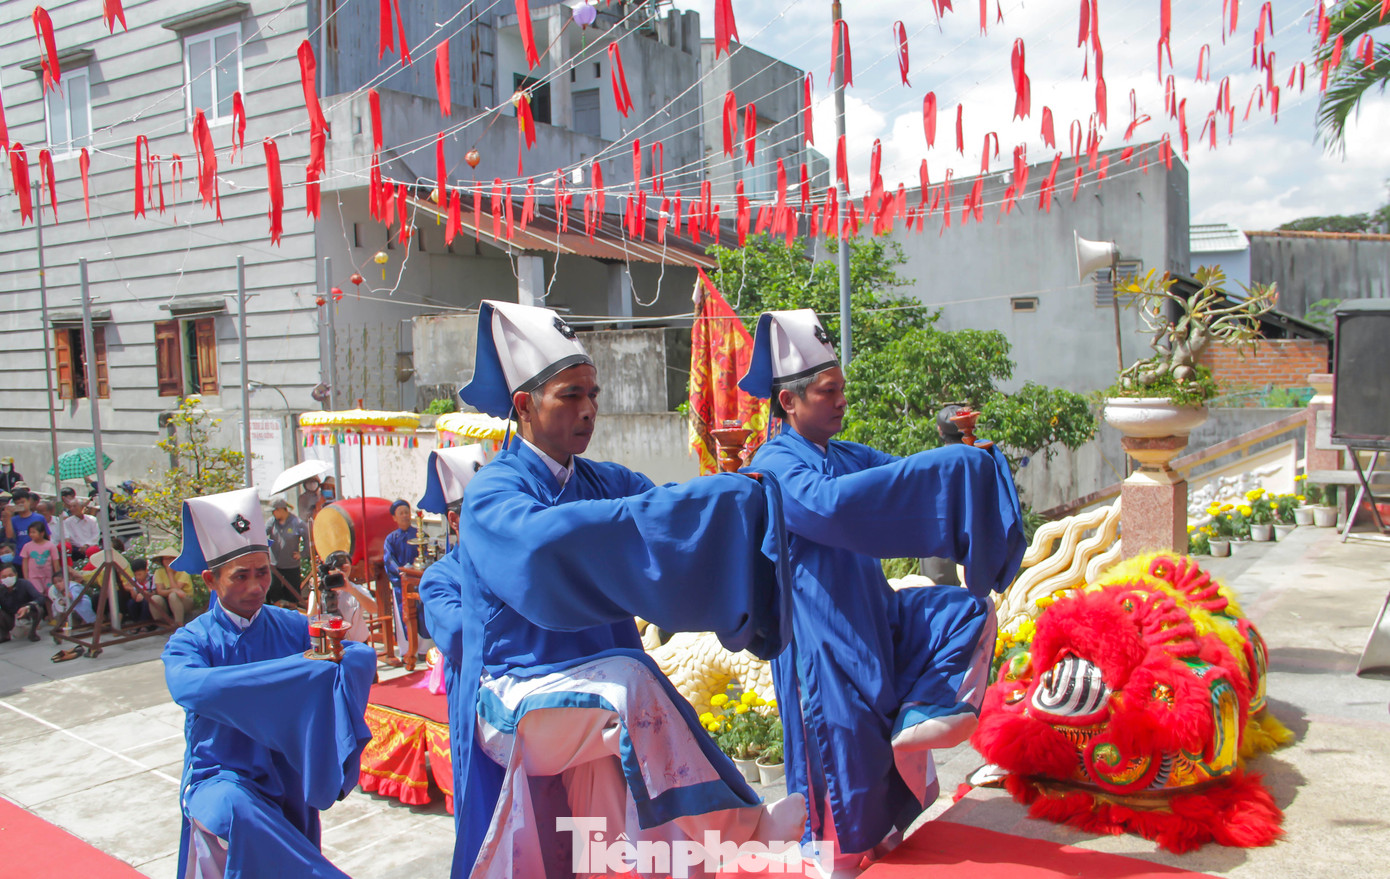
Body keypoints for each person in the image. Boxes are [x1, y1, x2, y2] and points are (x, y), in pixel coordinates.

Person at [419, 301, 805, 879]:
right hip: (513, 694)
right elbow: (542, 550)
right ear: (524, 405)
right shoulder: (492, 495)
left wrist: (736, 495)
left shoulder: (603, 480)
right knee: (630, 682)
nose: (589, 409)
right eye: (570, 395)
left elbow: (667, 519)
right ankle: (743, 829)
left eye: (593, 394)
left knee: (610, 824)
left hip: (580, 697)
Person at [737, 310, 1027, 875]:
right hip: (820, 628)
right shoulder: (775, 463)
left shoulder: (843, 453)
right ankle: (833, 854)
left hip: (872, 608)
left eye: (842, 390)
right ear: (789, 402)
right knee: (838, 740)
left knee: (963, 612)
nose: (841, 401)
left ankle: (902, 768)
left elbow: (905, 478)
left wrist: (962, 461)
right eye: (828, 392)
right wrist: (949, 467)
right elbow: (832, 506)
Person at [162, 487, 375, 879]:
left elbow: (358, 656)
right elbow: (190, 687)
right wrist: (299, 673)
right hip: (221, 774)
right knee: (233, 811)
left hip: (286, 771)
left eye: (262, 573)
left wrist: (336, 647)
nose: (256, 586)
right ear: (210, 579)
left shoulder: (290, 625)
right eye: (240, 576)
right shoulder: (192, 641)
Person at [305, 550, 377, 643]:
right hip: (331, 645)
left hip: (358, 644)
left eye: (345, 563)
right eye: (337, 566)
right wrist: (318, 591)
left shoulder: (357, 589)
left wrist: (351, 589)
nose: (341, 568)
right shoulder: (319, 591)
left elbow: (373, 609)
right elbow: (311, 617)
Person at [381, 498, 420, 649]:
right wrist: (401, 572)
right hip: (401, 583)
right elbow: (389, 559)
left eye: (406, 512)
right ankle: (406, 649)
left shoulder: (418, 534)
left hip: (418, 581)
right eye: (401, 513)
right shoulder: (391, 539)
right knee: (404, 614)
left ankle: (423, 648)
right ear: (394, 518)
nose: (404, 515)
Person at [266, 498, 309, 607]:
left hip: (291, 565)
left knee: (292, 595)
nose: (273, 514)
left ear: (281, 510)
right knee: (274, 593)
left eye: (274, 511)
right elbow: (262, 534)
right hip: (275, 565)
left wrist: (302, 554)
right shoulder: (271, 522)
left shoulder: (297, 523)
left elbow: (309, 539)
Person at [0, 560, 46, 642]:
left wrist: (27, 607)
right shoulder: (1, 589)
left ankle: (33, 632)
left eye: (10, 575)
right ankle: (4, 635)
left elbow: (40, 598)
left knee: (38, 608)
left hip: (26, 614)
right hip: (10, 617)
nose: (8, 578)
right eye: (4, 577)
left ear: (16, 575)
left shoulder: (24, 584)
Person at [151, 549, 197, 626]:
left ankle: (179, 623)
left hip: (184, 602)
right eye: (166, 559)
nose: (168, 561)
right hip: (167, 602)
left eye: (171, 558)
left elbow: (177, 590)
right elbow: (160, 591)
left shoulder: (183, 571)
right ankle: (161, 623)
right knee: (155, 598)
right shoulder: (159, 572)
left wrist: (170, 573)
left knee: (173, 595)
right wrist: (173, 591)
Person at [20, 520, 59, 609]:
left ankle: (52, 617)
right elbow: (25, 563)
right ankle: (38, 618)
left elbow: (55, 562)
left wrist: (57, 576)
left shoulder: (50, 546)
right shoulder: (27, 546)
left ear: (42, 533)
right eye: (30, 532)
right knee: (38, 597)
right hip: (34, 577)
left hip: (48, 576)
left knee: (50, 596)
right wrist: (26, 578)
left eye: (34, 532)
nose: (31, 534)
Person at [4, 488, 48, 560]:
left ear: (29, 501)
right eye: (17, 503)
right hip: (20, 557)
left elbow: (47, 536)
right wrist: (8, 517)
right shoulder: (13, 520)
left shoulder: (39, 518)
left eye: (23, 502)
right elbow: (9, 536)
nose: (21, 505)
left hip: (38, 556)